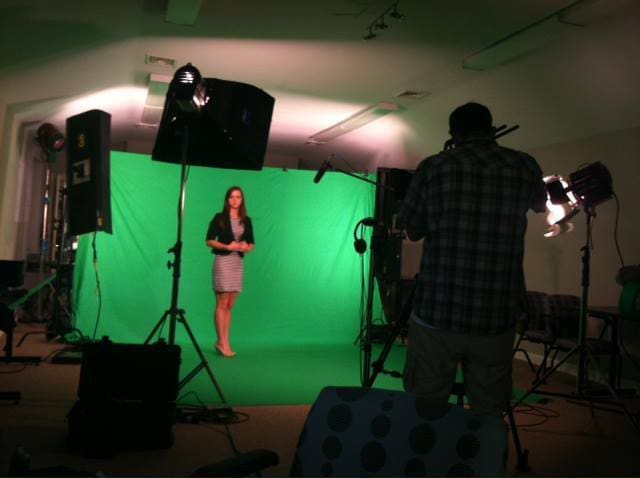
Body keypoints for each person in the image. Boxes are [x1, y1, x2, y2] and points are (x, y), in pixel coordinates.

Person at [397, 102, 547, 416]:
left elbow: (411, 229)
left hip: (438, 311)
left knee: (425, 407)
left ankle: (428, 463)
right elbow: (539, 204)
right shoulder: (524, 165)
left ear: (453, 133)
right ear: (492, 129)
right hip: (496, 312)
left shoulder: (433, 167)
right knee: (489, 412)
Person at [206, 186, 255, 357]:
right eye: (232, 197)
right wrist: (227, 246)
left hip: (237, 262)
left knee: (230, 305)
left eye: (238, 197)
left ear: (242, 200)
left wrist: (245, 247)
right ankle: (221, 342)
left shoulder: (247, 220)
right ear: (227, 200)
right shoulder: (219, 218)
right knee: (222, 302)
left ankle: (225, 341)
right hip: (223, 261)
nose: (235, 200)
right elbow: (209, 241)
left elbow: (252, 244)